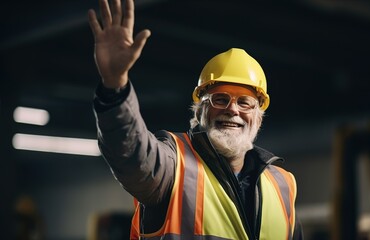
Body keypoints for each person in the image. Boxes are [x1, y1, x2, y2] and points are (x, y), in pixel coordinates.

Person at [88, 0, 303, 239]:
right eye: (220, 99)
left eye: (245, 102)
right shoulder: (172, 165)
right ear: (199, 111)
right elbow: (130, 153)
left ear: (258, 117)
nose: (233, 109)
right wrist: (115, 85)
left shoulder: (283, 185)